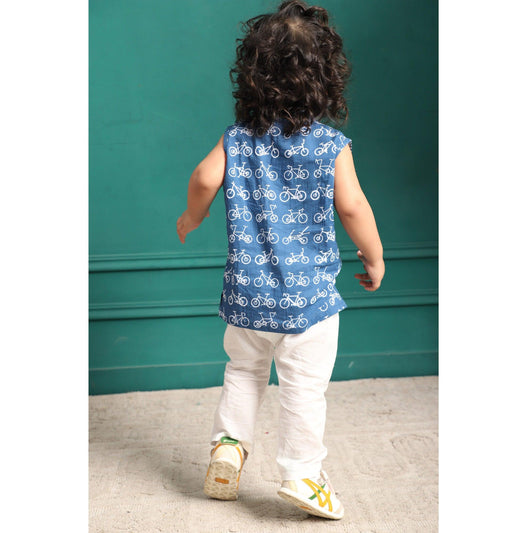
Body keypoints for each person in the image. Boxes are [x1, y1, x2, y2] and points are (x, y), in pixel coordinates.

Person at [176, 0, 384, 520]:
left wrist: (192, 217)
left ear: (250, 77)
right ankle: (302, 475)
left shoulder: (237, 139)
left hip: (247, 297)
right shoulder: (330, 145)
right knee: (304, 389)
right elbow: (353, 206)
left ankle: (229, 446)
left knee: (244, 371)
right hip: (308, 305)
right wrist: (374, 256)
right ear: (326, 79)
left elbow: (204, 178)